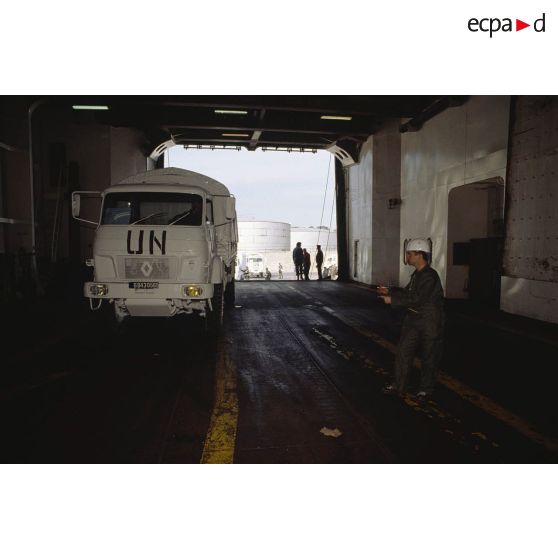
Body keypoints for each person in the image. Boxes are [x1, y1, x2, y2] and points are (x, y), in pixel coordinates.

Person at [377, 239, 444, 403]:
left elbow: (417, 298)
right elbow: (408, 292)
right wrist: (390, 290)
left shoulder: (430, 276)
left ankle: (425, 390)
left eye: (409, 253)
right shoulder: (417, 274)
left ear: (419, 254)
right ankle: (399, 385)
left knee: (429, 356)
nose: (407, 256)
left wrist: (392, 300)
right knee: (403, 352)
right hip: (413, 319)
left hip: (429, 321)